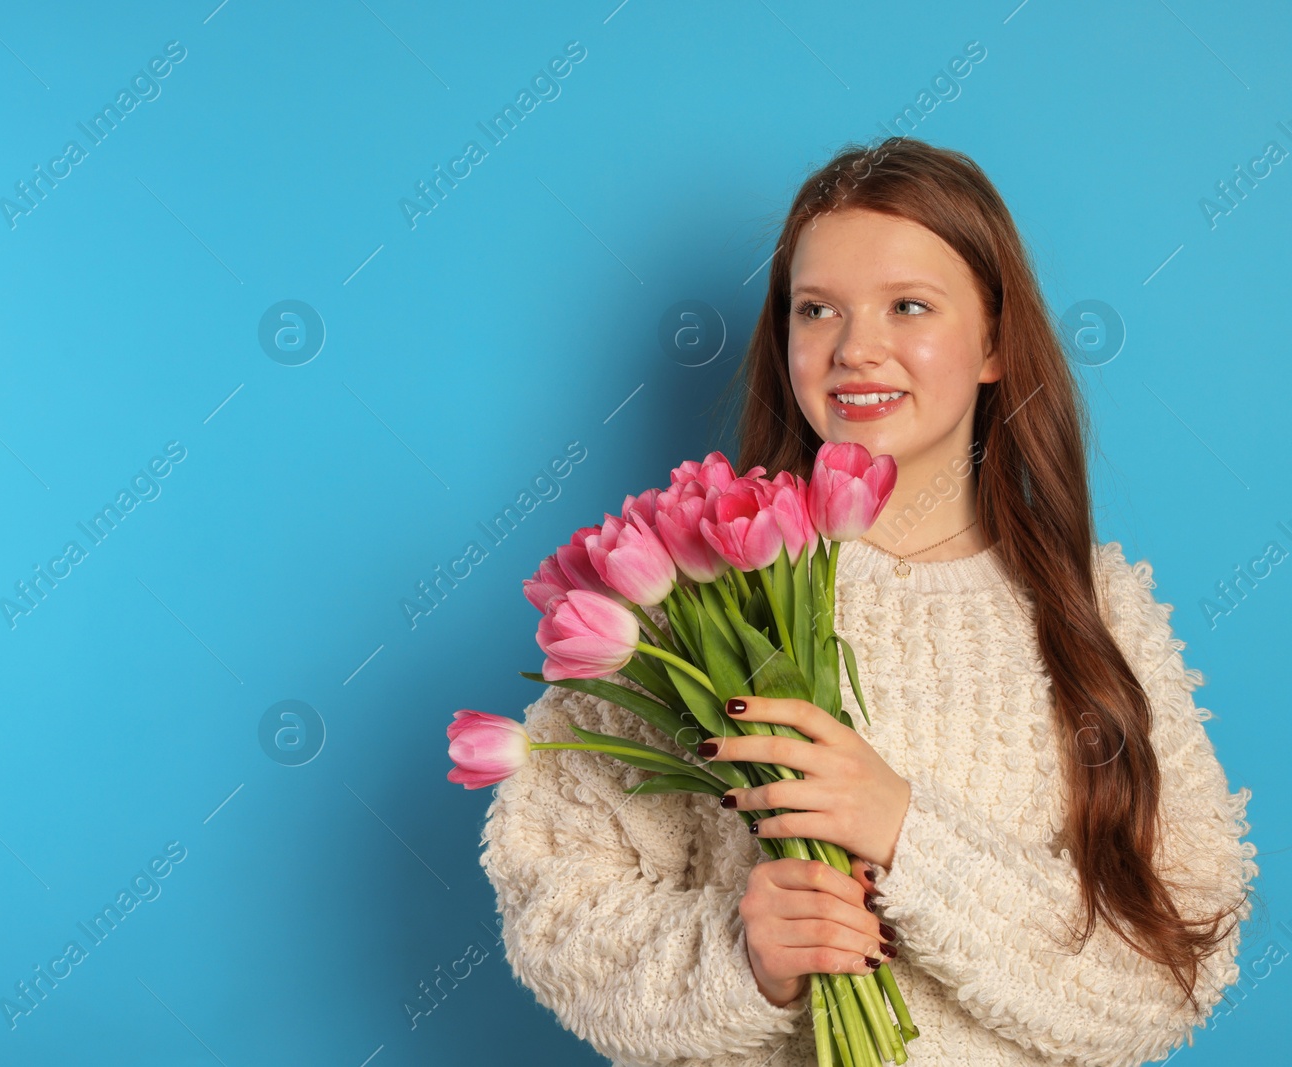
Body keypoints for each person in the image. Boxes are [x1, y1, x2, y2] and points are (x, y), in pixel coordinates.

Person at [477, 137, 1258, 1065]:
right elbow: (555, 904)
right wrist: (744, 959)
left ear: (996, 344)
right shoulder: (688, 594)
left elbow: (1175, 971)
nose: (855, 349)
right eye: (817, 310)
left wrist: (905, 835)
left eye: (909, 306)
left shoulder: (1102, 612)